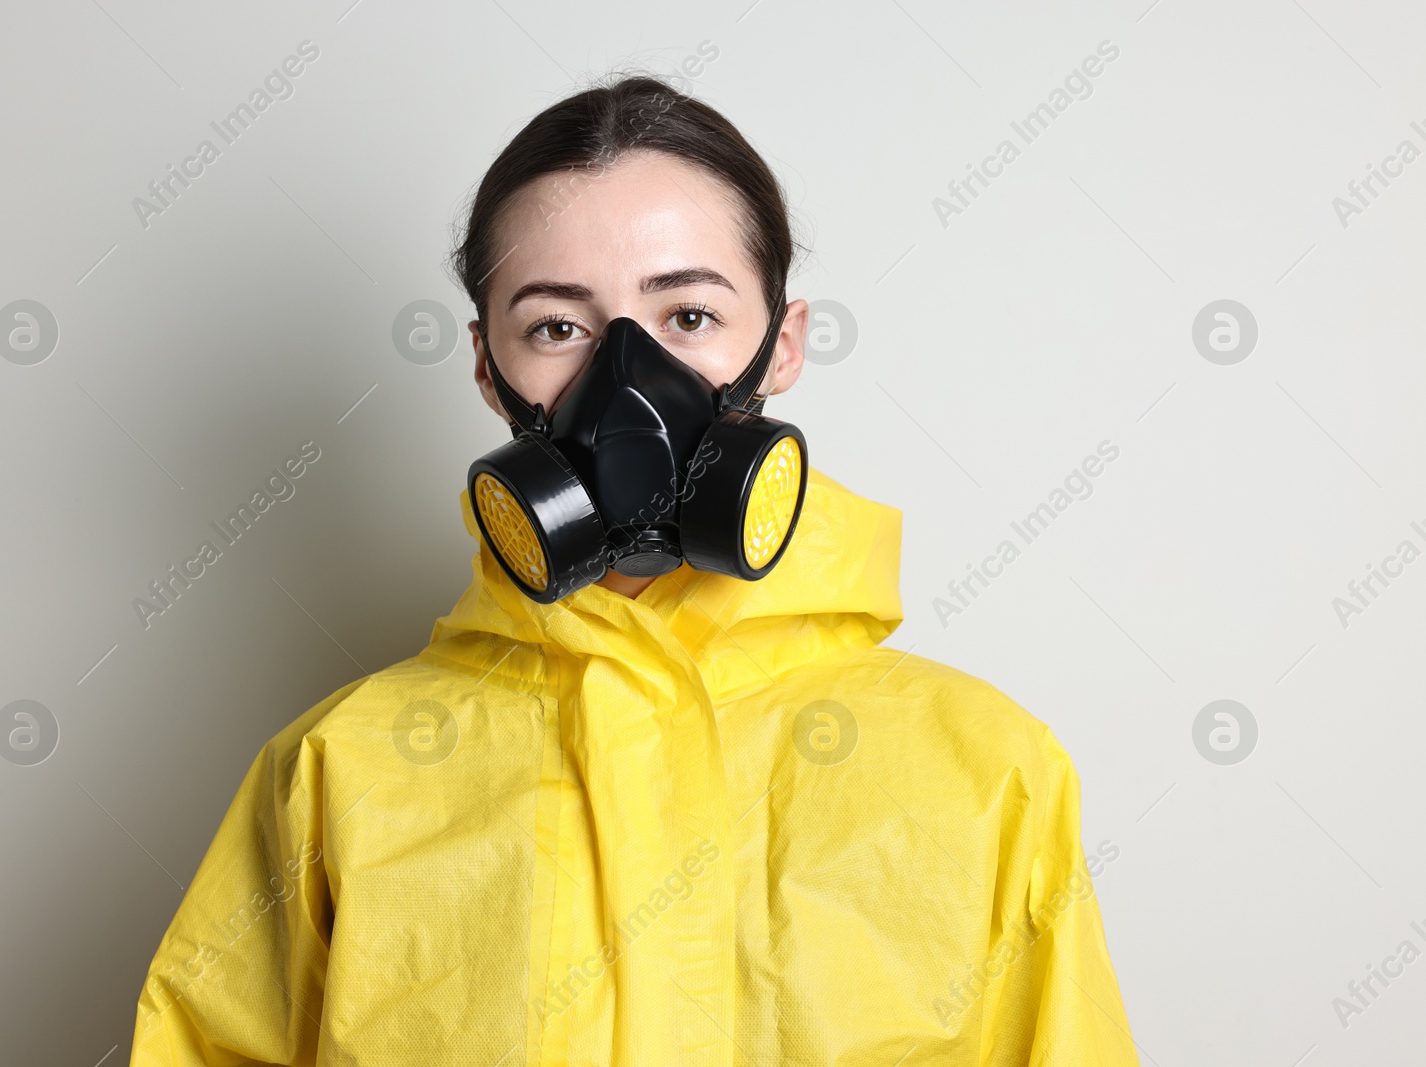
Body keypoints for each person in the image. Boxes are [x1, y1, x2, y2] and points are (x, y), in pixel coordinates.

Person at [127, 73, 1140, 1066]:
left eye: (688, 317)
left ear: (780, 346)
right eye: (557, 327)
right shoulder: (339, 774)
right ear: (487, 367)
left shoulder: (986, 770)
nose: (623, 382)